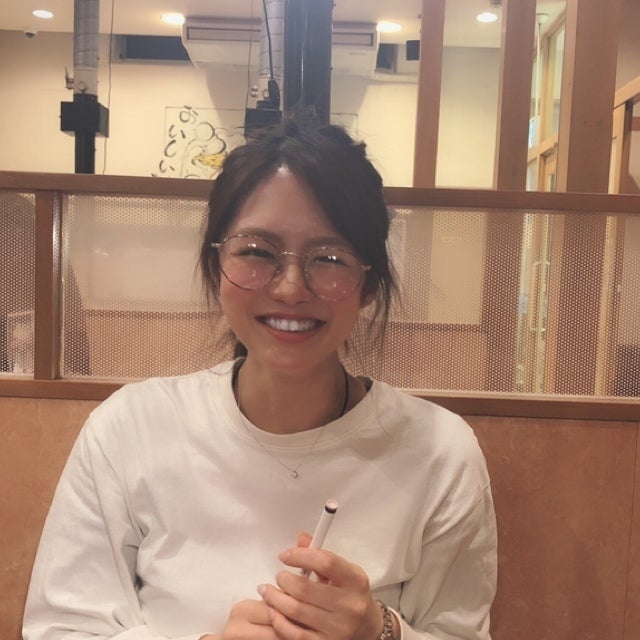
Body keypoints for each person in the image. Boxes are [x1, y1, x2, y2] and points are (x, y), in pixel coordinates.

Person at [23, 119, 497, 640]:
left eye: (329, 259)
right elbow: (61, 628)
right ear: (215, 267)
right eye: (256, 252)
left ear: (368, 284)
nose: (291, 288)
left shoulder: (440, 453)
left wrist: (379, 631)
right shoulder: (129, 429)